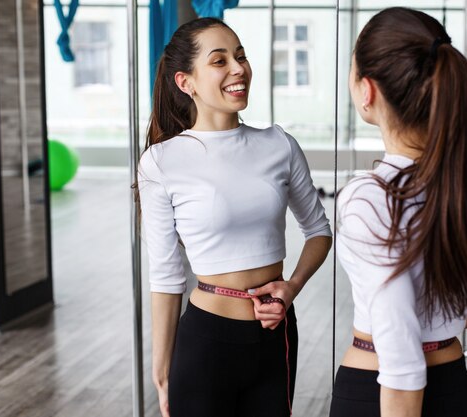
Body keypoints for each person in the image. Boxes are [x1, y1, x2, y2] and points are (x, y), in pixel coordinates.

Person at [329, 8, 467, 417]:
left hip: (377, 395)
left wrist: (418, 323)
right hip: (453, 387)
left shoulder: (370, 197)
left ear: (367, 90)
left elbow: (402, 362)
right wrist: (443, 319)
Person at [136, 18, 332, 417]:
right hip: (205, 340)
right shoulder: (160, 161)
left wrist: (291, 288)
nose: (238, 68)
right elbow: (167, 275)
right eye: (219, 60)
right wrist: (161, 368)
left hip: (274, 335)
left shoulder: (279, 145)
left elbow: (318, 231)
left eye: (240, 56)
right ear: (185, 82)